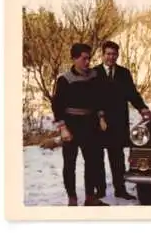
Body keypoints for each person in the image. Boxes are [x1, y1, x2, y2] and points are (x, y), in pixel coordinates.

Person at [51, 43, 109, 206]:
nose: (87, 62)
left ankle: (90, 197)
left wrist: (101, 117)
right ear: (74, 59)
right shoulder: (65, 80)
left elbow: (99, 100)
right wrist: (63, 128)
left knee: (92, 162)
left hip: (89, 124)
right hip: (71, 124)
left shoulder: (94, 77)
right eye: (84, 58)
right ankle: (72, 198)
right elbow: (57, 105)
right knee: (70, 164)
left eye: (89, 58)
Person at [94, 41, 151, 200]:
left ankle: (120, 189)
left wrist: (142, 108)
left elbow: (132, 94)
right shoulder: (94, 73)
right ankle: (100, 190)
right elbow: (91, 99)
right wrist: (99, 116)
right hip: (98, 123)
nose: (111, 57)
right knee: (98, 159)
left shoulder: (123, 73)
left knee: (117, 159)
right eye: (108, 54)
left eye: (114, 54)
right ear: (102, 54)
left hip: (118, 122)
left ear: (117, 55)